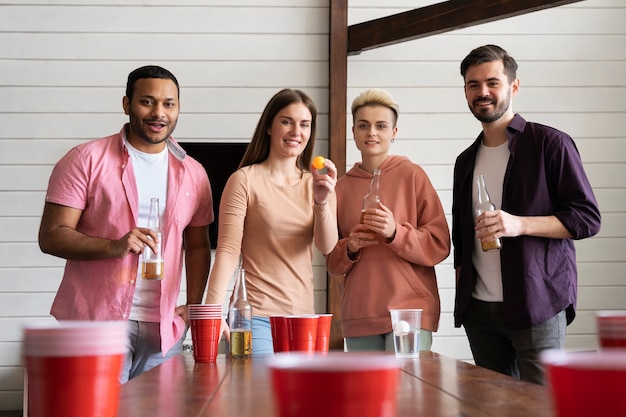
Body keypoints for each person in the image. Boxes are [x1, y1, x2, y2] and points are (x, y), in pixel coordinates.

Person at [38, 65, 214, 383]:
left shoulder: (194, 173)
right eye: (147, 101)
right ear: (126, 104)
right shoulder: (84, 159)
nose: (158, 112)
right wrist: (114, 245)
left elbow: (198, 245)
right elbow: (51, 236)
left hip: (164, 326)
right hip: (98, 323)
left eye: (169, 103)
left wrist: (194, 306)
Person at [452, 45, 601, 384]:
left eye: (492, 82)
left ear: (513, 86)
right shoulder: (465, 160)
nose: (483, 92)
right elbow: (461, 238)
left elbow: (587, 217)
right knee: (492, 409)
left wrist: (518, 224)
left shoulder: (550, 144)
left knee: (542, 407)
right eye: (473, 85)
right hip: (479, 312)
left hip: (538, 306)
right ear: (465, 92)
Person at [204, 88, 338, 354]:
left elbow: (327, 246)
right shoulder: (244, 180)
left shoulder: (318, 184)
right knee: (260, 393)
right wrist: (212, 310)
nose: (295, 132)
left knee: (299, 396)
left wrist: (321, 201)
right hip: (255, 316)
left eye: (304, 124)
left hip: (303, 318)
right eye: (286, 121)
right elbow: (229, 250)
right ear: (268, 126)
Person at [326, 88, 450, 352]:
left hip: (410, 312)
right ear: (354, 132)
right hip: (360, 314)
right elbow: (332, 263)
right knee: (366, 394)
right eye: (364, 125)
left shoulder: (413, 176)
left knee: (410, 392)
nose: (372, 132)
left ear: (394, 132)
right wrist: (350, 247)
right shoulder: (340, 188)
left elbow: (440, 245)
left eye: (380, 126)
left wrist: (396, 233)